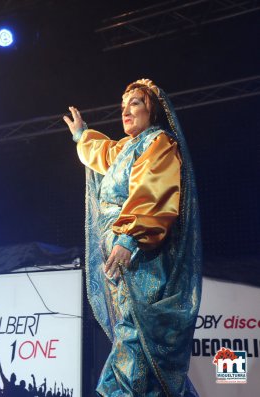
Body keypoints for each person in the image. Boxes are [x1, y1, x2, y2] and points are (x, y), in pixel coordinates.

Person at [62, 79, 202, 396]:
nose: (126, 111)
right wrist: (82, 135)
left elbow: (152, 192)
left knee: (139, 337)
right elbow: (103, 152)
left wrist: (129, 239)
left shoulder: (159, 142)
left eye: (135, 103)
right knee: (130, 333)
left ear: (151, 109)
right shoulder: (126, 148)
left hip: (142, 257)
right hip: (123, 259)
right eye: (123, 106)